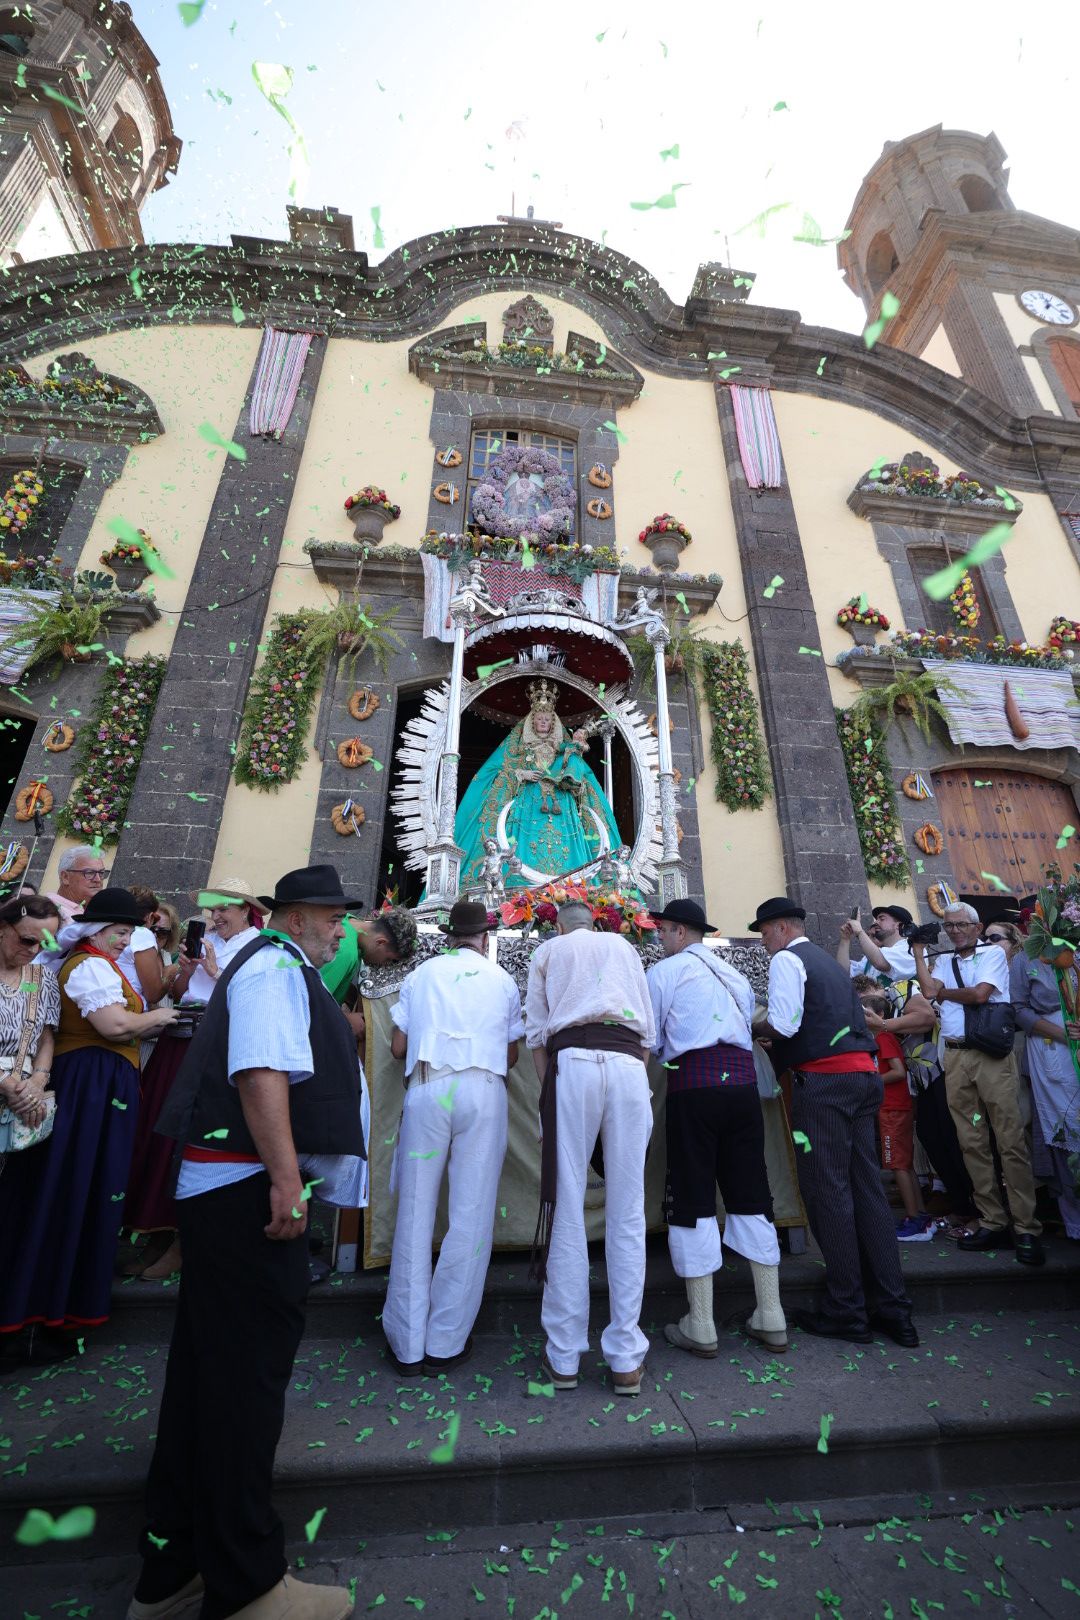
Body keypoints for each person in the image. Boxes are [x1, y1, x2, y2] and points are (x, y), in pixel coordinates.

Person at [131, 865, 366, 1620]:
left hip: (229, 1194)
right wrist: (287, 1181)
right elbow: (262, 1073)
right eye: (330, 916)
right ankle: (247, 1585)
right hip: (246, 1196)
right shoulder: (272, 968)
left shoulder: (274, 965)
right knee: (244, 1387)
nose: (339, 929)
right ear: (293, 918)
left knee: (207, 1379)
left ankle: (173, 1570)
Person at [0, 889, 178, 1364]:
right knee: (72, 1189)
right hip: (90, 1089)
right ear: (98, 931)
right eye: (121, 933)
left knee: (87, 1190)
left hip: (102, 1086)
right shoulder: (89, 964)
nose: (126, 942)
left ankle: (56, 1313)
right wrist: (161, 1015)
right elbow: (114, 1026)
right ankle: (40, 1316)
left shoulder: (96, 963)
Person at [750, 896, 918, 1348]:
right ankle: (893, 1309)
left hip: (825, 1085)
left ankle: (847, 1309)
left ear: (782, 928)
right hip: (865, 1080)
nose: (764, 942)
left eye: (764, 933)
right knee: (866, 1190)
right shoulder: (827, 962)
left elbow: (784, 1025)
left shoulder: (788, 959)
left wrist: (750, 1029)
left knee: (828, 1191)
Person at [383, 899, 525, 1375]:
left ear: (448, 937)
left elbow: (398, 1045)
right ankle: (445, 1341)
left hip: (428, 1086)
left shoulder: (422, 974)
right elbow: (512, 1054)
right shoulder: (501, 979)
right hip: (482, 1090)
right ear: (485, 939)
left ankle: (407, 1343)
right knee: (471, 1215)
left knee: (415, 1212)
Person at [524, 900, 655, 1396]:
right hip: (625, 1066)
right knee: (627, 1210)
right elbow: (646, 1030)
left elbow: (537, 1034)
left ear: (558, 926)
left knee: (568, 1206)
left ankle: (564, 1357)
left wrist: (548, 1093)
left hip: (571, 1065)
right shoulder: (625, 948)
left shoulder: (550, 952)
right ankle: (624, 1356)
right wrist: (633, 1082)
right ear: (597, 922)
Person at [646, 898, 787, 1357]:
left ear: (681, 933)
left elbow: (650, 1038)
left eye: (663, 931)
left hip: (696, 1087)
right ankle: (771, 1313)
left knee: (692, 1193)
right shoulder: (737, 977)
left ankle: (702, 1323)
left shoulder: (665, 973)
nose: (660, 938)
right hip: (741, 1086)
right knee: (750, 1188)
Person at [124, 878, 267, 1281]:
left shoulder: (257, 945)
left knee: (189, 1138)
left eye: (224, 908)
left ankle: (181, 1241)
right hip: (179, 1038)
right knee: (159, 1134)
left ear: (245, 910)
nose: (216, 916)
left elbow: (251, 998)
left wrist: (216, 973)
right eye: (212, 909)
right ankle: (155, 1232)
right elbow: (185, 992)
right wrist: (186, 972)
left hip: (212, 1049)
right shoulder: (213, 943)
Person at [914, 901, 1044, 1265]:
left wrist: (942, 992)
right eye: (948, 926)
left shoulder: (992, 955)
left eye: (959, 925)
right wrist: (919, 952)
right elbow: (926, 990)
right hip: (955, 1056)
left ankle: (1026, 1227)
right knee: (971, 1142)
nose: (953, 931)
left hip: (990, 1057)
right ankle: (993, 1219)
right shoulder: (944, 959)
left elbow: (979, 995)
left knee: (1009, 1139)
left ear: (976, 926)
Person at [454, 678, 620, 892]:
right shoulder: (520, 750)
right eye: (539, 719)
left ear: (553, 722)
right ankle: (517, 882)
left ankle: (572, 883)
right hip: (529, 799)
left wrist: (575, 752)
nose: (543, 722)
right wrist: (521, 773)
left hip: (561, 800)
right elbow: (500, 771)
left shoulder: (564, 749)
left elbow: (579, 776)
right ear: (531, 722)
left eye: (547, 719)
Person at [0, 897, 62, 1362]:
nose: (34, 949)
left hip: (20, 1111)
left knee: (12, 1219)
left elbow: (46, 1038)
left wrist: (38, 1081)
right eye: (26, 939)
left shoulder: (42, 977)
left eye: (46, 941)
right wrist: (7, 1083)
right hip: (7, 1091)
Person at [1010, 949, 1080, 1241]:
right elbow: (1019, 1009)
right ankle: (1075, 1219)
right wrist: (1063, 1032)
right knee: (1067, 1129)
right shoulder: (1025, 958)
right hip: (1053, 1046)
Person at [856, 984, 931, 1239]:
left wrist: (871, 1081)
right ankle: (920, 1215)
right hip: (892, 1108)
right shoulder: (879, 1039)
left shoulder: (884, 1038)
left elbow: (898, 1071)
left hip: (893, 1109)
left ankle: (914, 1221)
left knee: (897, 1164)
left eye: (864, 1013)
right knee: (904, 1165)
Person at [320, 904, 418, 1041]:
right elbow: (309, 1000)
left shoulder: (349, 921)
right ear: (381, 942)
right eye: (388, 959)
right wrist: (346, 1020)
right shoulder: (347, 952)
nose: (383, 964)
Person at [119, 886, 179, 1009]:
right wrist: (169, 974)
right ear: (150, 917)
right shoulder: (142, 933)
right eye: (153, 927)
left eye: (163, 932)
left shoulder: (117, 931)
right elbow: (153, 995)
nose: (154, 935)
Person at [837, 905, 916, 986]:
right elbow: (843, 973)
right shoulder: (873, 955)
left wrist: (860, 932)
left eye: (882, 919)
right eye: (876, 919)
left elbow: (881, 963)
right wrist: (845, 939)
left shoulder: (913, 949)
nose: (875, 922)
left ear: (899, 925)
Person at [41, 844, 109, 927]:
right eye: (89, 873)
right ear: (65, 877)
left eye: (101, 873)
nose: (98, 880)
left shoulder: (99, 910)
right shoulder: (48, 911)